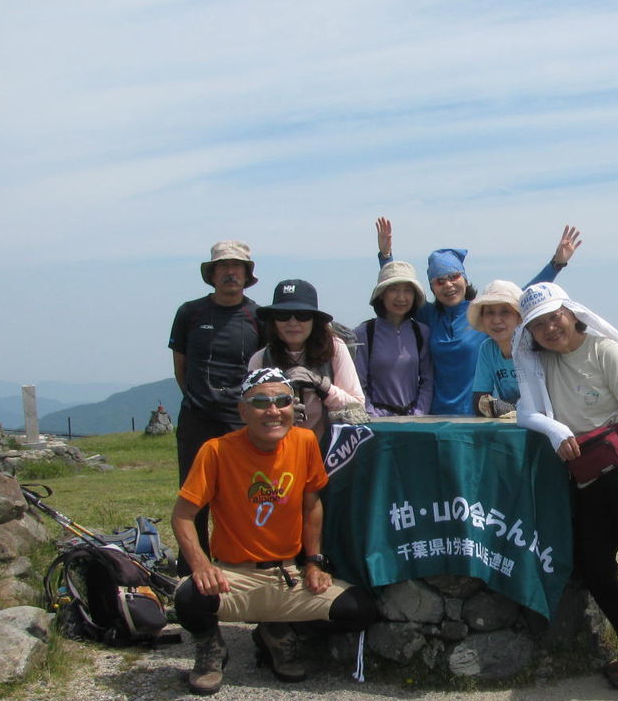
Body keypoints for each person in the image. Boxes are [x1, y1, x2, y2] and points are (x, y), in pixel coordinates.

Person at [170, 368, 375, 695]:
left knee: (357, 608)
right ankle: (211, 648)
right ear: (242, 411)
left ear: (293, 407)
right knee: (187, 598)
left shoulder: (305, 441)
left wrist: (314, 562)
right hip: (233, 576)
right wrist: (201, 565)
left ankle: (276, 632)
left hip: (286, 573)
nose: (273, 410)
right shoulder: (216, 451)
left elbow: (312, 506)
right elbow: (182, 515)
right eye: (260, 402)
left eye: (283, 401)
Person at [514, 282, 618, 689]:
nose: (550, 328)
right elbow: (525, 412)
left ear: (571, 313)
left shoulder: (606, 351)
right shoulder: (540, 361)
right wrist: (552, 427)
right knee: (594, 566)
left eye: (555, 317)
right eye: (538, 324)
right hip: (584, 474)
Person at [373, 217, 580, 415]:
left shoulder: (484, 314)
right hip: (435, 415)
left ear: (464, 279)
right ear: (432, 288)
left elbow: (522, 296)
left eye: (454, 277)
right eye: (439, 281)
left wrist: (556, 264)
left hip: (478, 413)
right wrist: (386, 256)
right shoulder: (429, 317)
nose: (448, 285)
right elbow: (399, 295)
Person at [168, 241, 264, 572]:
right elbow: (180, 365)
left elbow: (263, 369)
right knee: (194, 498)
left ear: (247, 274)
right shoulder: (189, 312)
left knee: (243, 496)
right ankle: (191, 570)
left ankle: (241, 566)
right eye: (223, 267)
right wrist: (197, 397)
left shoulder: (256, 316)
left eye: (237, 267)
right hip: (197, 418)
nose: (230, 272)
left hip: (241, 422)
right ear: (212, 274)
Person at [247, 279, 365, 443]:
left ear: (314, 320)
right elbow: (250, 413)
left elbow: (358, 407)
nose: (293, 323)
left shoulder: (335, 349)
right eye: (283, 315)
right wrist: (281, 412)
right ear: (273, 321)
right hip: (279, 452)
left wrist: (322, 386)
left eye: (302, 316)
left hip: (329, 452)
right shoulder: (260, 359)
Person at [353, 260, 434, 417]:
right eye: (394, 289)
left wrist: (418, 415)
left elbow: (427, 381)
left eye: (408, 291)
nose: (401, 297)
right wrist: (373, 415)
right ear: (382, 294)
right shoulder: (364, 333)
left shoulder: (421, 332)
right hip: (377, 423)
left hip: (414, 423)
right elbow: (358, 384)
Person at [468, 280, 523, 417]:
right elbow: (478, 400)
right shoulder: (487, 349)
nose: (496, 320)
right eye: (489, 313)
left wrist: (502, 408)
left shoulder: (533, 347)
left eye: (505, 312)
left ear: (519, 317)